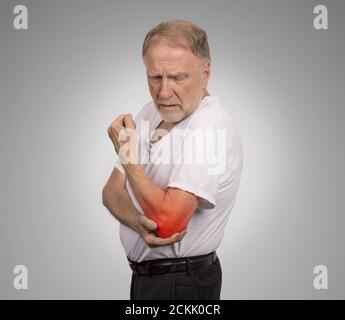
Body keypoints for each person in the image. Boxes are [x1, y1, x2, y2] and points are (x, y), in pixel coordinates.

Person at [102, 20, 243, 300]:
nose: (163, 93)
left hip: (182, 284)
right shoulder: (148, 113)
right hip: (147, 280)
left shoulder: (209, 127)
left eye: (178, 78)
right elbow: (110, 193)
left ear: (206, 73)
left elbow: (167, 223)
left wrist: (128, 155)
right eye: (155, 78)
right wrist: (137, 222)